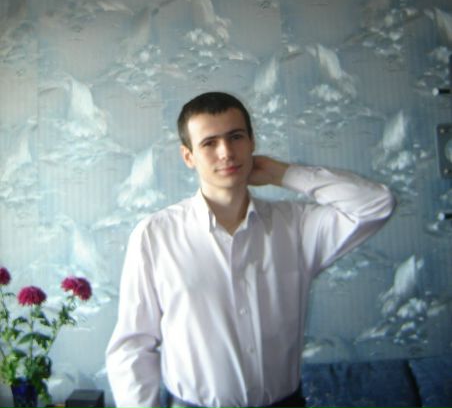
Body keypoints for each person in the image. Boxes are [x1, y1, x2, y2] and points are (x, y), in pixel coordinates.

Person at [106, 92, 395, 408]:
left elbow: (376, 205)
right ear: (188, 156)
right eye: (209, 143)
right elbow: (133, 346)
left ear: (252, 142)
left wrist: (281, 173)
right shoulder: (155, 236)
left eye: (235, 137)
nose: (226, 152)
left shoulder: (297, 227)